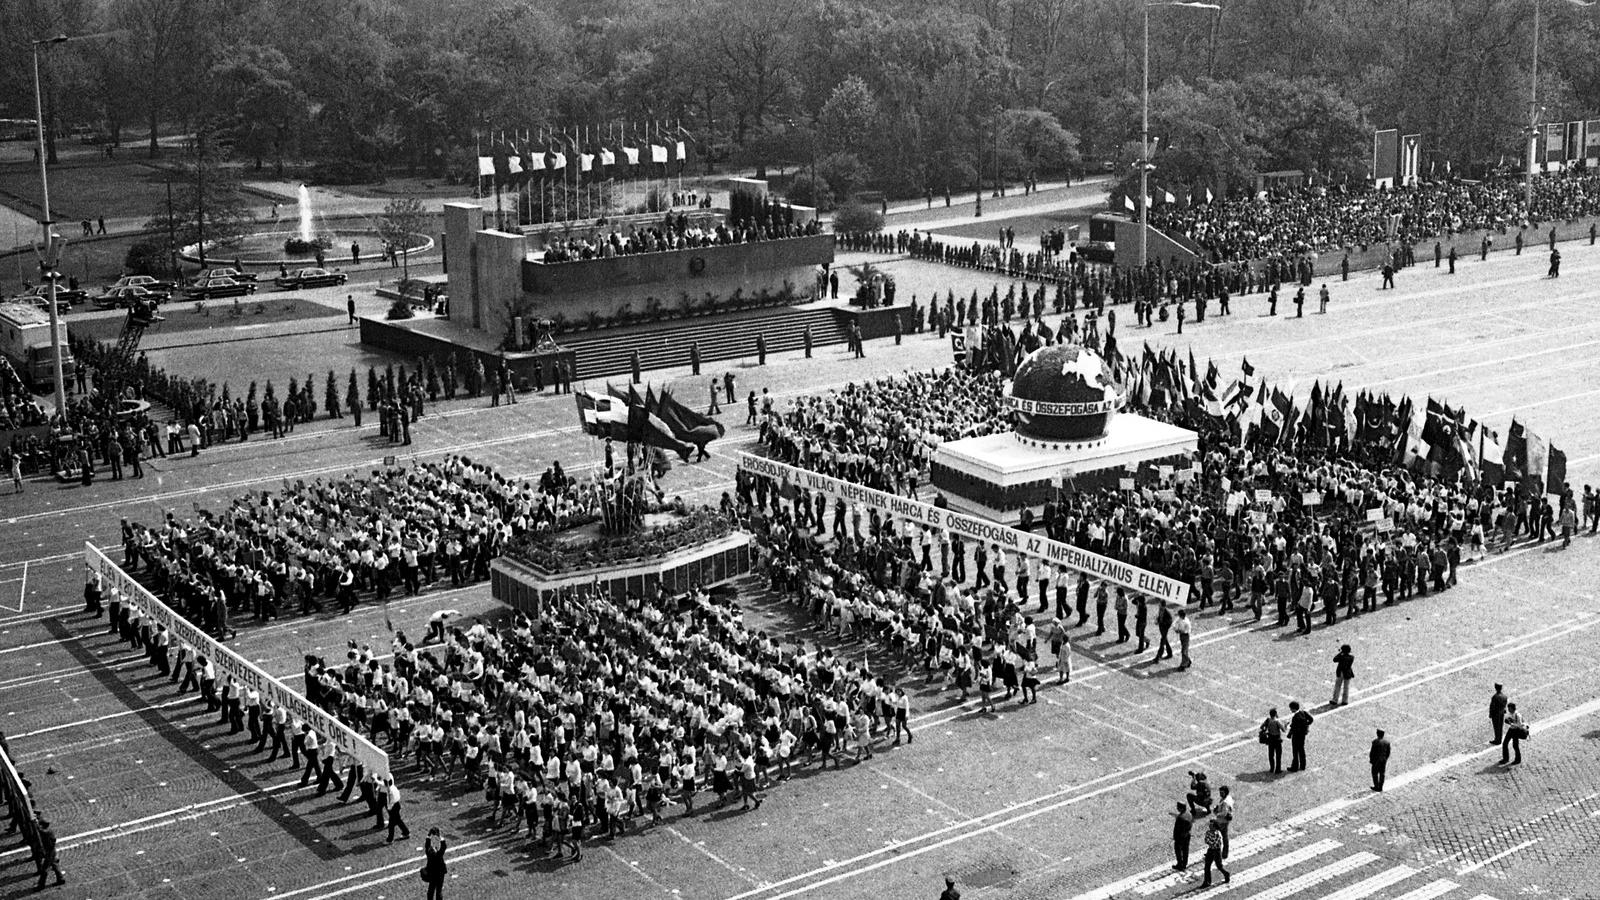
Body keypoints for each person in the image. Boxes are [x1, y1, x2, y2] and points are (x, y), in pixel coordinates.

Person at [33, 816, 65, 889]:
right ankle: (60, 879)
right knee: (54, 864)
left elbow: (40, 831)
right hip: (51, 851)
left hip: (49, 852)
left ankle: (41, 885)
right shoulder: (49, 831)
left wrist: (35, 824)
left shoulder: (46, 832)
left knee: (44, 869)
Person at [1199, 819, 1230, 887]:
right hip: (1210, 850)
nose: (1210, 826)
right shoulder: (1208, 832)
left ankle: (1226, 874)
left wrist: (1209, 841)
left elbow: (1214, 843)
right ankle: (1207, 882)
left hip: (1216, 851)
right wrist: (1210, 841)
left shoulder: (1217, 834)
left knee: (1219, 866)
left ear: (1215, 826)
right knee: (1207, 866)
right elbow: (1206, 840)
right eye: (1210, 824)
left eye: (1211, 825)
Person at [1287, 700, 1314, 772]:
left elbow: (1293, 728)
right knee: (1301, 750)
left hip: (1296, 736)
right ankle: (1303, 765)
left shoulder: (1295, 717)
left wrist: (1289, 735)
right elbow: (1311, 719)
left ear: (1293, 708)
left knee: (1295, 752)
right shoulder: (1303, 712)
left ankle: (1295, 767)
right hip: (1302, 735)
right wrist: (1306, 724)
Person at [422, 827, 447, 900]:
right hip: (440, 875)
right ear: (435, 850)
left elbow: (427, 845)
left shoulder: (429, 855)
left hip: (432, 875)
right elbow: (443, 846)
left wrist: (429, 835)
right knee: (438, 891)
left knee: (431, 890)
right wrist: (439, 836)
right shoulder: (438, 855)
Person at [1259, 708, 1284, 773]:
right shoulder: (1277, 721)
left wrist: (1266, 730)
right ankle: (1278, 769)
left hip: (1270, 739)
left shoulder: (1268, 720)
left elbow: (1261, 727)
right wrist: (1286, 725)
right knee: (1278, 755)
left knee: (1271, 754)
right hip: (1277, 739)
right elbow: (1283, 730)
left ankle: (1272, 768)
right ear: (1275, 714)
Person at [1171, 801, 1193, 871]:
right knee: (1185, 850)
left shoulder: (1180, 818)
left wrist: (1175, 837)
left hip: (1180, 837)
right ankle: (1184, 864)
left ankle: (1179, 864)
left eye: (1178, 807)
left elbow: (1177, 828)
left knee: (1178, 851)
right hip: (1187, 835)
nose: (1177, 808)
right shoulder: (1189, 814)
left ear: (1181, 808)